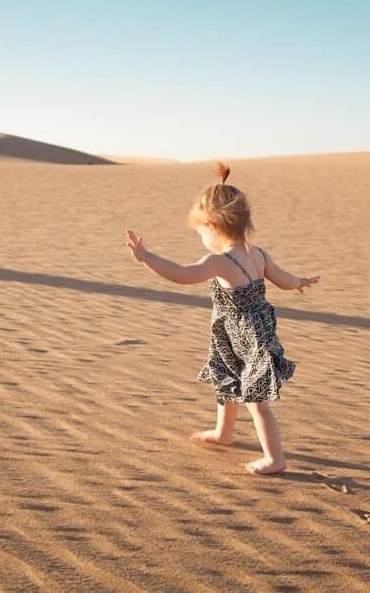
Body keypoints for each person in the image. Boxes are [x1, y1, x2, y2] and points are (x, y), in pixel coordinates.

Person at [126, 163, 319, 475]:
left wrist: (146, 258)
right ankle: (224, 433)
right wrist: (299, 282)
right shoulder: (259, 254)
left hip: (249, 338)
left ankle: (275, 458)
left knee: (256, 400)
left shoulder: (219, 261)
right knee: (227, 381)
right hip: (242, 332)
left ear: (214, 226)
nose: (201, 235)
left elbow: (182, 274)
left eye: (201, 229)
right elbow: (283, 280)